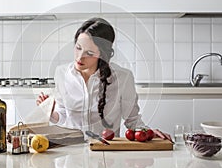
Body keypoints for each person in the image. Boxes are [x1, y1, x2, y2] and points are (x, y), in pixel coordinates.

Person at [37, 17, 171, 141]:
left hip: (106, 155)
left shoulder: (123, 78)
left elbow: (132, 120)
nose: (79, 57)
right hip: (71, 155)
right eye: (78, 48)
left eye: (89, 53)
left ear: (102, 54)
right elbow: (63, 116)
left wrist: (148, 132)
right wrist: (50, 113)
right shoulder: (61, 73)